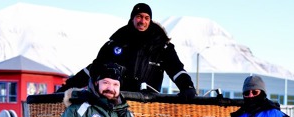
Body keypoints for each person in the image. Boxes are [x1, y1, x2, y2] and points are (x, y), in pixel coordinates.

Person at [57, 3, 196, 100]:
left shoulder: (161, 46)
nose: (142, 21)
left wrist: (187, 87)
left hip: (148, 103)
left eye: (146, 18)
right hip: (118, 101)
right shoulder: (116, 43)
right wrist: (68, 87)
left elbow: (176, 69)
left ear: (150, 21)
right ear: (132, 18)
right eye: (139, 16)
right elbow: (94, 69)